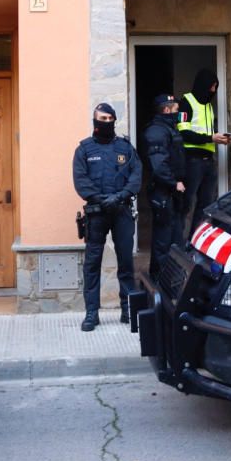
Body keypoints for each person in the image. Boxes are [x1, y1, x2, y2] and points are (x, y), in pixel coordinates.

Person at [72, 102, 142, 331]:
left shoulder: (125, 148)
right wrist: (102, 199)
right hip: (96, 214)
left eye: (107, 119)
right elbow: (81, 181)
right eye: (99, 119)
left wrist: (121, 196)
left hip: (121, 211)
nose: (103, 123)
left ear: (113, 120)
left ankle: (127, 310)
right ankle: (91, 313)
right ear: (94, 120)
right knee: (92, 264)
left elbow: (136, 176)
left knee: (126, 262)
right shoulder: (84, 150)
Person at [177, 69, 230, 239]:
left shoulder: (208, 106)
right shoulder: (186, 102)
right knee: (186, 203)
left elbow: (207, 133)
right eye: (212, 86)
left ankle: (195, 241)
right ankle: (179, 243)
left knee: (206, 204)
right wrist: (210, 138)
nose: (213, 91)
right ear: (203, 85)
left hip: (208, 161)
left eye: (215, 87)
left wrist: (218, 138)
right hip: (192, 161)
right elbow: (183, 132)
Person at [142, 94, 186, 281]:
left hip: (171, 193)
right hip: (163, 193)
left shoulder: (167, 130)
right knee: (164, 240)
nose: (178, 113)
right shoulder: (156, 132)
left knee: (174, 238)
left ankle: (171, 281)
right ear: (167, 110)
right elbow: (159, 164)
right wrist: (174, 182)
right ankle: (160, 283)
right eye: (176, 110)